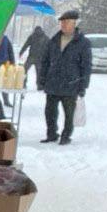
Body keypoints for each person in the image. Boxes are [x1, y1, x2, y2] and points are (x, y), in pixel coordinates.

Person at [37, 9, 92, 145]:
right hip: (53, 82)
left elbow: (86, 66)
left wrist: (83, 85)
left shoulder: (83, 43)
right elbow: (45, 61)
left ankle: (66, 136)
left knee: (69, 113)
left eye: (66, 22)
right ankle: (51, 134)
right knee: (50, 112)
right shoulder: (54, 40)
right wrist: (41, 79)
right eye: (62, 22)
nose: (63, 25)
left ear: (74, 23)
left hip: (71, 83)